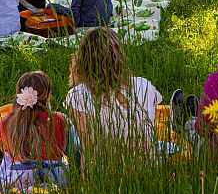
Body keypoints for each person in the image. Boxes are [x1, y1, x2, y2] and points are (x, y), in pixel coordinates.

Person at [64, 28, 164, 161]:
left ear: (82, 59)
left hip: (107, 171)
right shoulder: (144, 85)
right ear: (119, 57)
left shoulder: (78, 96)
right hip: (148, 165)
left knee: (68, 131)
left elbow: (91, 150)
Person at [0, 71, 68, 194]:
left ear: (19, 95)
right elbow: (63, 147)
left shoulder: (6, 123)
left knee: (2, 160)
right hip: (56, 177)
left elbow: (6, 148)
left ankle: (24, 191)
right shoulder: (58, 119)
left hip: (20, 178)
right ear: (48, 97)